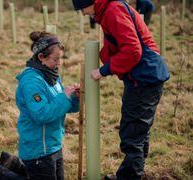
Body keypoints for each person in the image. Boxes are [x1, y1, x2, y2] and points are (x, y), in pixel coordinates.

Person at [71, 0, 169, 180]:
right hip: (144, 76)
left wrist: (103, 70)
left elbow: (133, 50)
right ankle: (133, 172)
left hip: (144, 78)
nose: (83, 14)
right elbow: (116, 44)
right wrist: (104, 58)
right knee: (138, 130)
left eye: (82, 8)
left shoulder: (112, 10)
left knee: (132, 133)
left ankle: (130, 176)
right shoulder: (107, 10)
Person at [15, 31, 80, 180]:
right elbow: (42, 113)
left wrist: (74, 98)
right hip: (39, 151)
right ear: (41, 57)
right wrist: (65, 96)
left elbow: (61, 106)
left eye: (61, 58)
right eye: (56, 59)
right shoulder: (32, 82)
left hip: (54, 145)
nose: (60, 63)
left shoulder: (51, 75)